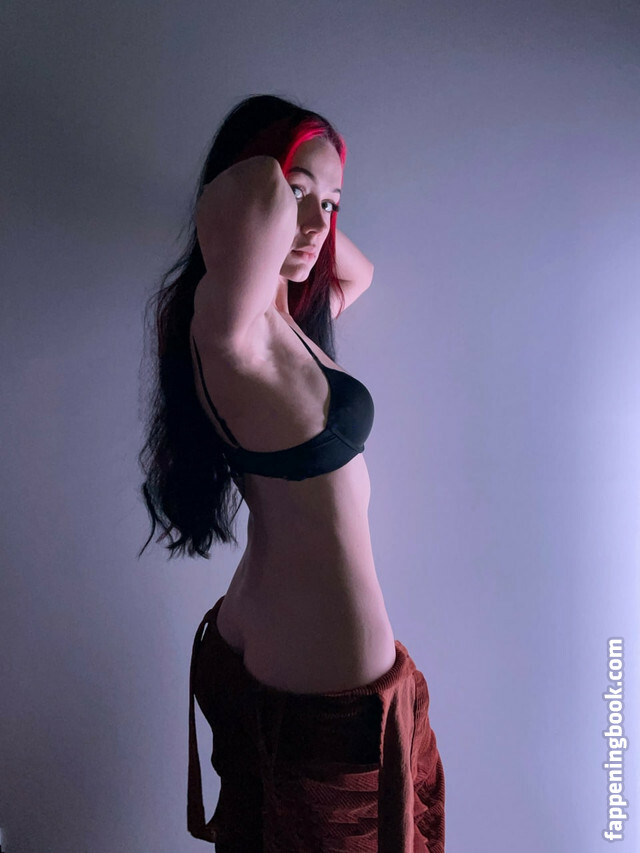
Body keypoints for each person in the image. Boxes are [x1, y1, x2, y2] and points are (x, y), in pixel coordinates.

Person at [138, 94, 445, 851]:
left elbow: (359, 272)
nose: (314, 225)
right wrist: (283, 173)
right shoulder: (231, 328)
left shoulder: (282, 321)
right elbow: (250, 189)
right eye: (295, 194)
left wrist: (317, 193)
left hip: (275, 630)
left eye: (332, 205)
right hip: (325, 677)